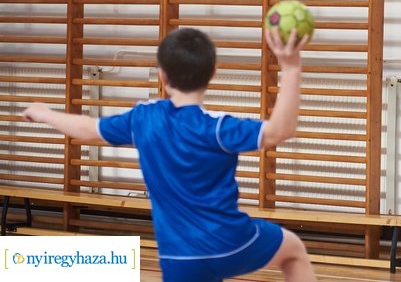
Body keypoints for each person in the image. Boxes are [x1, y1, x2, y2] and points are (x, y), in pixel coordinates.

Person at [23, 27, 316, 282]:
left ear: (162, 75)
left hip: (178, 256)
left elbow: (87, 129)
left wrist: (45, 113)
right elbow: (280, 130)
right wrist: (291, 68)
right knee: (293, 251)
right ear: (213, 73)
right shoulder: (217, 128)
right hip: (231, 243)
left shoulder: (144, 119)